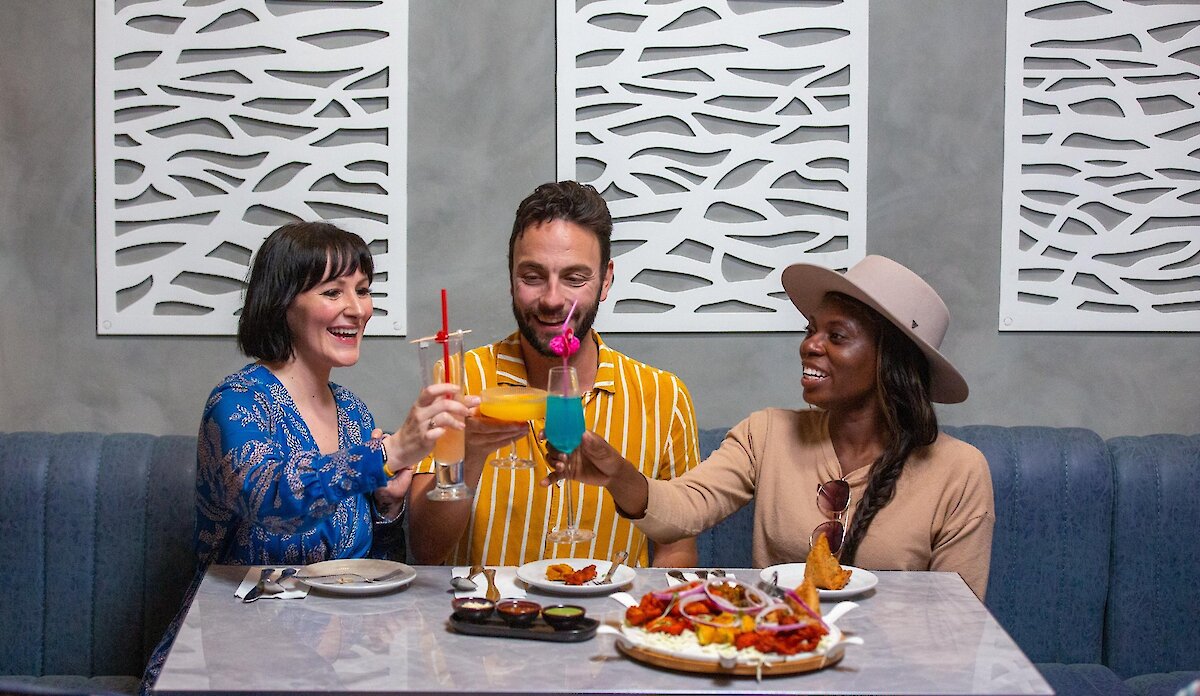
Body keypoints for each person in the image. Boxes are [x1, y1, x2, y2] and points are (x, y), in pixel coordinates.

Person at [545, 255, 996, 599]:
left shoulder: (958, 472)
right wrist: (617, 475)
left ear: (890, 360)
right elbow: (684, 509)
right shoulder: (766, 434)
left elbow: (957, 620)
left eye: (836, 337)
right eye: (810, 330)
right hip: (781, 660)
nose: (809, 346)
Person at [142, 221, 469, 693]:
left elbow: (373, 563)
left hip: (342, 665)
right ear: (283, 304)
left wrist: (388, 506)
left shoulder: (354, 415)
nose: (356, 309)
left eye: (362, 290)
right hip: (233, 657)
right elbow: (269, 496)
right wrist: (391, 451)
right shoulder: (237, 403)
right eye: (333, 292)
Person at [407, 180, 702, 568]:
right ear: (511, 276)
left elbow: (676, 549)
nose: (552, 299)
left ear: (606, 279)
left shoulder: (665, 396)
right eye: (532, 276)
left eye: (575, 278)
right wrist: (469, 457)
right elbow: (425, 549)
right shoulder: (458, 377)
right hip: (486, 618)